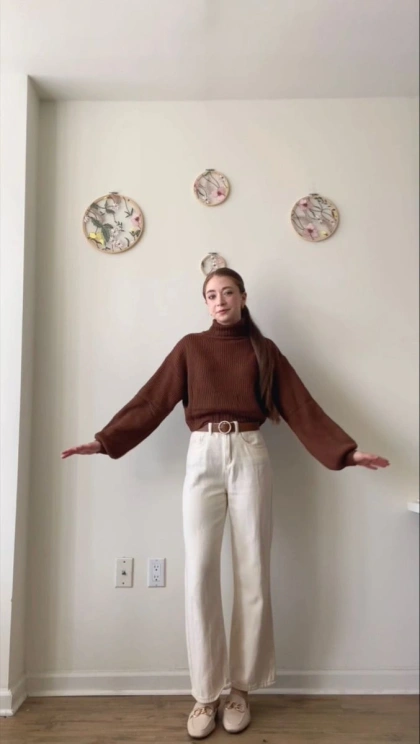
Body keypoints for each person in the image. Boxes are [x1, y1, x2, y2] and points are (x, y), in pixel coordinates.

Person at [61, 268, 389, 739]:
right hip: (202, 455)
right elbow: (151, 401)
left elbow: (301, 407)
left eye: (227, 292)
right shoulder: (190, 348)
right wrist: (105, 440)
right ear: (206, 302)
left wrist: (346, 452)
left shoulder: (264, 350)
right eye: (211, 294)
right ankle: (205, 693)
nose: (219, 300)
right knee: (199, 573)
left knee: (252, 570)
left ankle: (241, 690)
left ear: (242, 297)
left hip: (250, 452)